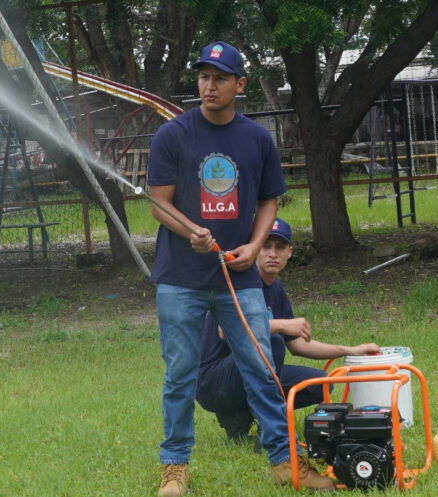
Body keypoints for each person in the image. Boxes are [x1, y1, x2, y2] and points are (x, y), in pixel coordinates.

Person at [147, 42, 334, 497]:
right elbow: (158, 202)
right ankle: (175, 469)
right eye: (203, 77)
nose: (209, 86)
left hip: (241, 277)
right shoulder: (173, 135)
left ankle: (284, 462)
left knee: (263, 369)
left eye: (220, 78)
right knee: (180, 373)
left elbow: (271, 198)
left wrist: (253, 245)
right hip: (181, 279)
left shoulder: (256, 139)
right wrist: (191, 231)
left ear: (240, 84)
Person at [196, 218, 381, 441]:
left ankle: (239, 415)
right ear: (254, 247)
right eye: (265, 245)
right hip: (214, 382)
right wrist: (282, 325)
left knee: (321, 384)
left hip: (255, 370)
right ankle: (269, 425)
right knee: (271, 341)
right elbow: (226, 331)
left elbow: (298, 345)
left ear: (289, 252)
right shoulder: (236, 281)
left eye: (280, 247)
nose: (272, 253)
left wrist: (351, 350)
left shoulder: (276, 290)